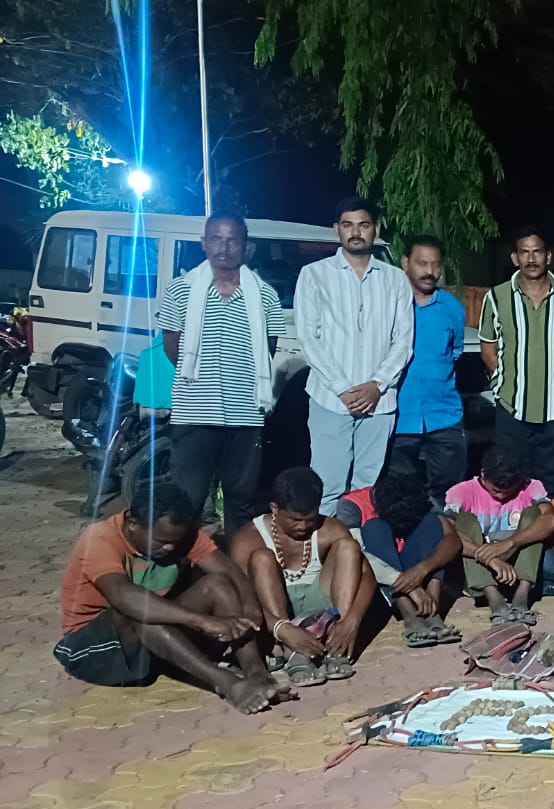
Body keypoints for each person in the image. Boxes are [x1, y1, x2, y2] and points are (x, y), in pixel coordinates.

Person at [54, 482, 287, 713]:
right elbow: (123, 597)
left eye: (174, 542)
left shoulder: (180, 534)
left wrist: (251, 610)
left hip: (152, 639)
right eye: (161, 541)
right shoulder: (100, 538)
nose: (169, 548)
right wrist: (202, 621)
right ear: (133, 524)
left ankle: (257, 673)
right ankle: (229, 684)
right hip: (93, 651)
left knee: (218, 585)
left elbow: (229, 572)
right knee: (141, 611)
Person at [158, 212, 286, 535]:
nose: (223, 248)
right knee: (187, 500)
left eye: (232, 241)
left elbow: (266, 352)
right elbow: (172, 348)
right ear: (204, 243)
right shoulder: (179, 291)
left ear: (247, 247)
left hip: (246, 414)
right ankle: (182, 562)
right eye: (216, 238)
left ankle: (237, 561)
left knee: (241, 502)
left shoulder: (265, 296)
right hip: (194, 412)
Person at [295, 196, 415, 514]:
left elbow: (403, 341)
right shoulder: (314, 275)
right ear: (337, 229)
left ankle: (360, 544)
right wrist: (342, 389)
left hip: (380, 402)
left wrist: (377, 385)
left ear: (376, 229)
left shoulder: (395, 279)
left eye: (363, 225)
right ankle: (324, 545)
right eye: (348, 225)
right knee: (327, 485)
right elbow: (309, 338)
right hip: (330, 399)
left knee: (367, 489)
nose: (356, 232)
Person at [231, 467, 378, 688]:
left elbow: (367, 576)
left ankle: (337, 643)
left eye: (309, 520)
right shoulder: (247, 538)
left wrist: (351, 621)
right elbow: (241, 598)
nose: (303, 527)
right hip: (274, 616)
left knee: (349, 547)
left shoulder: (329, 529)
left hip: (322, 608)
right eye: (295, 520)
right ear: (274, 508)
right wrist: (281, 628)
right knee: (261, 558)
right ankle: (291, 651)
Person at [481, 226, 554, 495]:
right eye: (524, 252)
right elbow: (488, 350)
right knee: (509, 479)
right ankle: (514, 521)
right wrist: (507, 382)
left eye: (537, 252)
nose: (531, 259)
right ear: (515, 257)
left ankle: (551, 522)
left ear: (548, 256)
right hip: (511, 407)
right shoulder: (496, 297)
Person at [391, 235, 468, 511]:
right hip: (398, 415)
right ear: (405, 263)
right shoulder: (391, 305)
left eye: (435, 264)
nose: (430, 271)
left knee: (449, 496)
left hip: (444, 413)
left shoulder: (451, 307)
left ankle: (446, 533)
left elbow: (455, 351)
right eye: (422, 263)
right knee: (399, 495)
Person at [445, 446, 554, 625]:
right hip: (480, 567)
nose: (501, 496)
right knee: (464, 521)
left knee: (534, 516)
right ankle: (493, 598)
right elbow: (446, 532)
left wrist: (510, 543)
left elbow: (551, 521)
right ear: (483, 475)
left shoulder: (532, 486)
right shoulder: (461, 492)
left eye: (508, 492)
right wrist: (490, 558)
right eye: (496, 490)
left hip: (517, 565)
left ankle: (522, 595)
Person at [360, 471, 463, 649]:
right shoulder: (352, 505)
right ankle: (409, 614)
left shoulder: (422, 502)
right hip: (383, 579)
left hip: (417, 570)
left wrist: (422, 569)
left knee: (433, 522)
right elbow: (357, 554)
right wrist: (408, 586)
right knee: (373, 527)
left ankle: (432, 611)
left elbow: (453, 540)